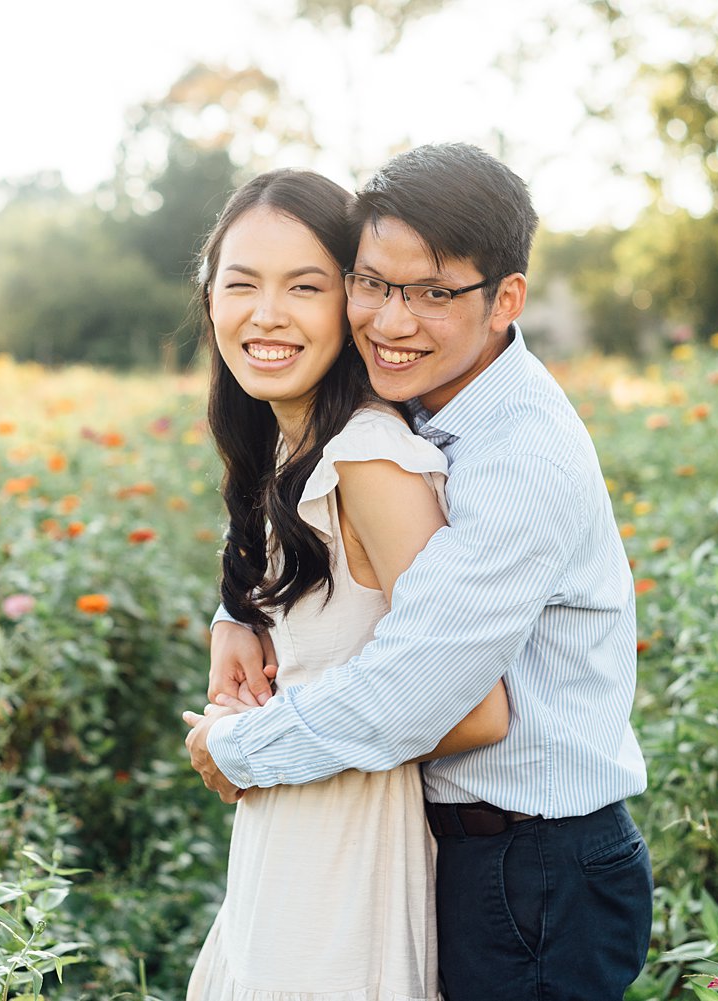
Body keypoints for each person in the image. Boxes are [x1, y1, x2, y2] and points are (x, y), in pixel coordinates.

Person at [186, 144, 652, 1000]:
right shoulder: (412, 396)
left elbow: (434, 697)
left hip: (534, 867)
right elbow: (304, 509)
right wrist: (239, 611)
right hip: (434, 836)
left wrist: (238, 747)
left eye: (435, 293)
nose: (393, 322)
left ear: (506, 298)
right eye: (374, 284)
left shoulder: (517, 454)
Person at [183, 167, 510, 1001]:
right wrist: (236, 613)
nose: (267, 313)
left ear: (351, 304)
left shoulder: (370, 458)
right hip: (284, 852)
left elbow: (473, 707)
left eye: (305, 286)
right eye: (242, 283)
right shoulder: (291, 453)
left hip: (343, 872)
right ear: (210, 296)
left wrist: (249, 744)